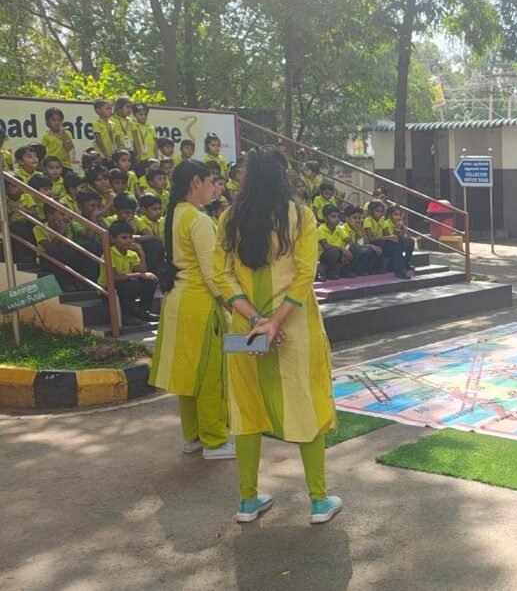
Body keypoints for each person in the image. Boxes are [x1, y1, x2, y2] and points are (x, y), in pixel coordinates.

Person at [214, 146, 341, 525]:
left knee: (246, 408)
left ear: (246, 178)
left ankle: (247, 500)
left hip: (243, 330)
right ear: (284, 177)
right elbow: (305, 275)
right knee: (306, 402)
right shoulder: (300, 216)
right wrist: (275, 322)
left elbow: (221, 276)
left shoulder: (228, 217)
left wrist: (256, 320)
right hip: (295, 327)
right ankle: (318, 502)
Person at [149, 159, 235, 460]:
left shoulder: (173, 216)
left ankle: (193, 437)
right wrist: (234, 306)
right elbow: (213, 275)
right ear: (196, 182)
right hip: (200, 306)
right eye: (212, 181)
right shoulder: (198, 220)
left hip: (177, 303)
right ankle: (215, 440)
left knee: (188, 375)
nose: (215, 188)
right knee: (211, 376)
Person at [100, 221, 159, 325]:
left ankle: (143, 311)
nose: (128, 241)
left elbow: (142, 272)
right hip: (108, 289)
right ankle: (127, 315)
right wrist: (139, 275)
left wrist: (142, 254)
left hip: (127, 286)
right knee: (132, 282)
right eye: (124, 238)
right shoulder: (108, 253)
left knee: (150, 280)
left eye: (130, 237)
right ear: (113, 239)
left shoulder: (132, 254)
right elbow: (114, 278)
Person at [316, 205, 353, 280]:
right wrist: (342, 249)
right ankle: (330, 271)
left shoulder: (339, 228)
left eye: (338, 216)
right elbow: (326, 246)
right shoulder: (321, 229)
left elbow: (350, 241)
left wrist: (347, 250)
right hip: (324, 255)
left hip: (339, 252)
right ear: (326, 219)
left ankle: (342, 270)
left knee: (354, 249)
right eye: (333, 216)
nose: (337, 219)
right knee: (334, 253)